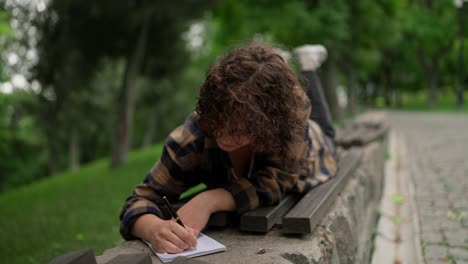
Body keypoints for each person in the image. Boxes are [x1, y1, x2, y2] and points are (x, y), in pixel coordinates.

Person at [119, 43, 337, 254]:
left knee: (328, 131)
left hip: (316, 148)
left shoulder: (291, 116)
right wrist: (152, 228)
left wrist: (210, 200)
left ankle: (308, 66)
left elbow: (279, 181)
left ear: (270, 125)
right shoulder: (191, 137)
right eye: (220, 122)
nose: (225, 137)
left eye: (242, 130)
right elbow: (138, 201)